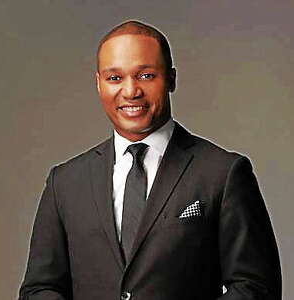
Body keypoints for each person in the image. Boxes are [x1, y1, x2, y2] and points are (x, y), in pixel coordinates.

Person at [18, 20, 282, 300]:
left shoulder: (223, 173)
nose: (131, 91)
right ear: (98, 84)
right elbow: (39, 289)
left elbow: (255, 287)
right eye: (115, 78)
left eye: (145, 75)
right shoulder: (65, 182)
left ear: (171, 79)